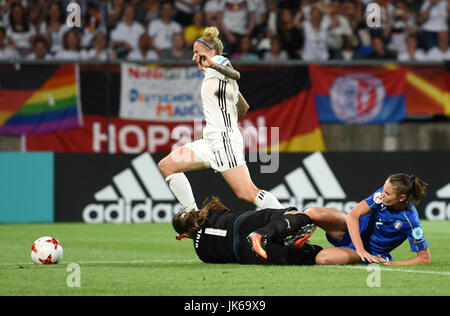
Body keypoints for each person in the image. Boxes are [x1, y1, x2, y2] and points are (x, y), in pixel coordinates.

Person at [158, 26, 284, 213]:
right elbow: (244, 107)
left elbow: (235, 73)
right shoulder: (218, 77)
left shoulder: (217, 62)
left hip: (224, 140)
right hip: (211, 140)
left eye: (197, 53)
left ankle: (291, 218)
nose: (194, 57)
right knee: (167, 166)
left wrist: (213, 63)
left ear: (211, 52)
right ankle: (193, 216)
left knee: (247, 192)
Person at [302, 173, 431, 266]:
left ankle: (306, 252)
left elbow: (424, 258)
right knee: (312, 212)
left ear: (402, 197)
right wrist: (360, 247)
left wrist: (393, 263)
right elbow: (353, 215)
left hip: (367, 252)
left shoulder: (410, 221)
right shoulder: (381, 195)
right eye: (383, 190)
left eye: (387, 193)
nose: (382, 195)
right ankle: (284, 235)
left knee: (323, 258)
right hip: (351, 232)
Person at [172, 196, 322, 265]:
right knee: (298, 216)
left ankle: (291, 246)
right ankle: (282, 233)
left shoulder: (202, 254)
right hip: (245, 223)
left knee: (314, 255)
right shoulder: (210, 210)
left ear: (184, 235)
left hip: (243, 251)